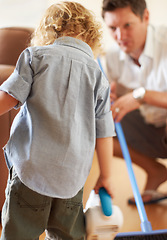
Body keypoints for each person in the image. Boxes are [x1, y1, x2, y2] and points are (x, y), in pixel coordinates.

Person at [0, 2, 116, 239]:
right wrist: (106, 176)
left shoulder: (35, 57)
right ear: (90, 36)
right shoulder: (98, 77)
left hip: (31, 171)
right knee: (67, 235)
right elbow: (104, 135)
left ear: (49, 31)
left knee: (19, 233)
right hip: (71, 180)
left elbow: (7, 99)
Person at [101, 0, 167, 205]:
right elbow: (109, 99)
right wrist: (106, 99)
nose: (120, 36)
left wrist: (142, 95)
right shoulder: (110, 58)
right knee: (95, 125)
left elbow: (140, 97)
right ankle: (155, 171)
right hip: (147, 126)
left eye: (127, 25)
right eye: (113, 28)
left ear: (145, 17)